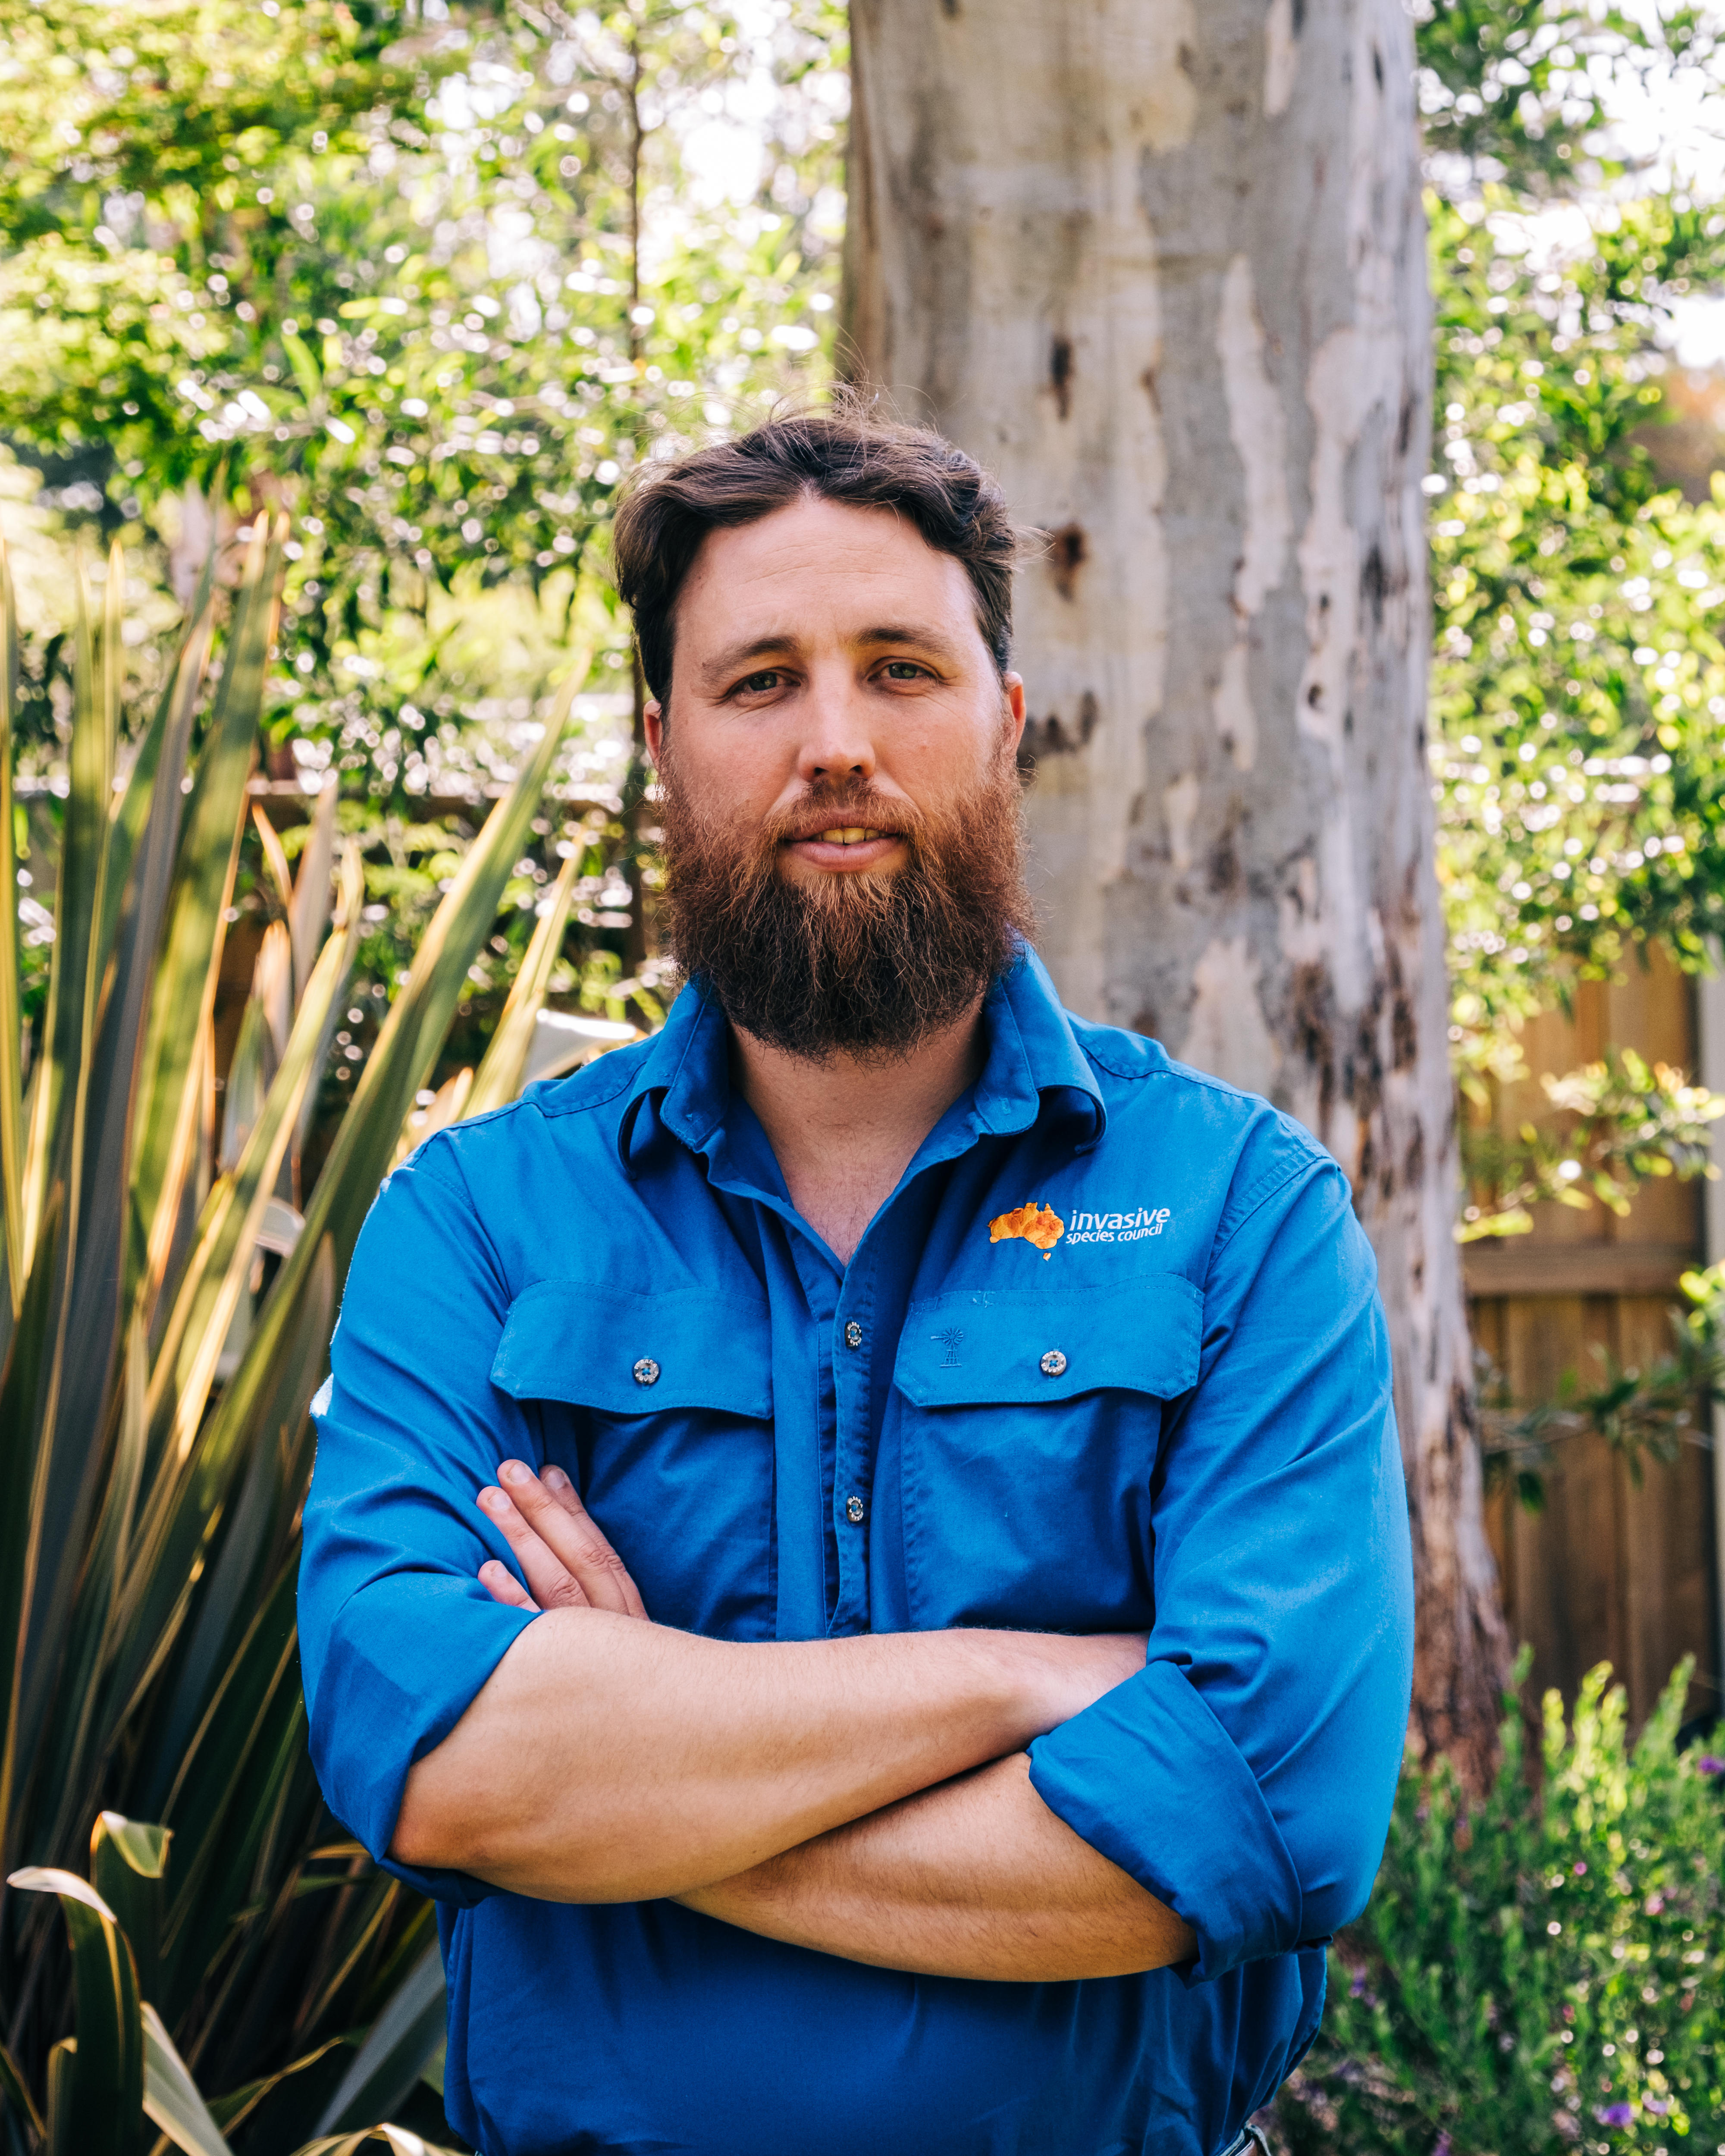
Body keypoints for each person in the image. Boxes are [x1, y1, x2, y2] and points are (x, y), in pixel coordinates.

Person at [298, 401, 1414, 2156]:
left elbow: (1259, 1817)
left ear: (1006, 722)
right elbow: (436, 1759)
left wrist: (641, 1757)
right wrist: (1028, 1679)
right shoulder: (481, 1221)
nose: (836, 741)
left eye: (900, 667)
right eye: (761, 682)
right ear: (663, 743)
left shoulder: (1240, 1211)